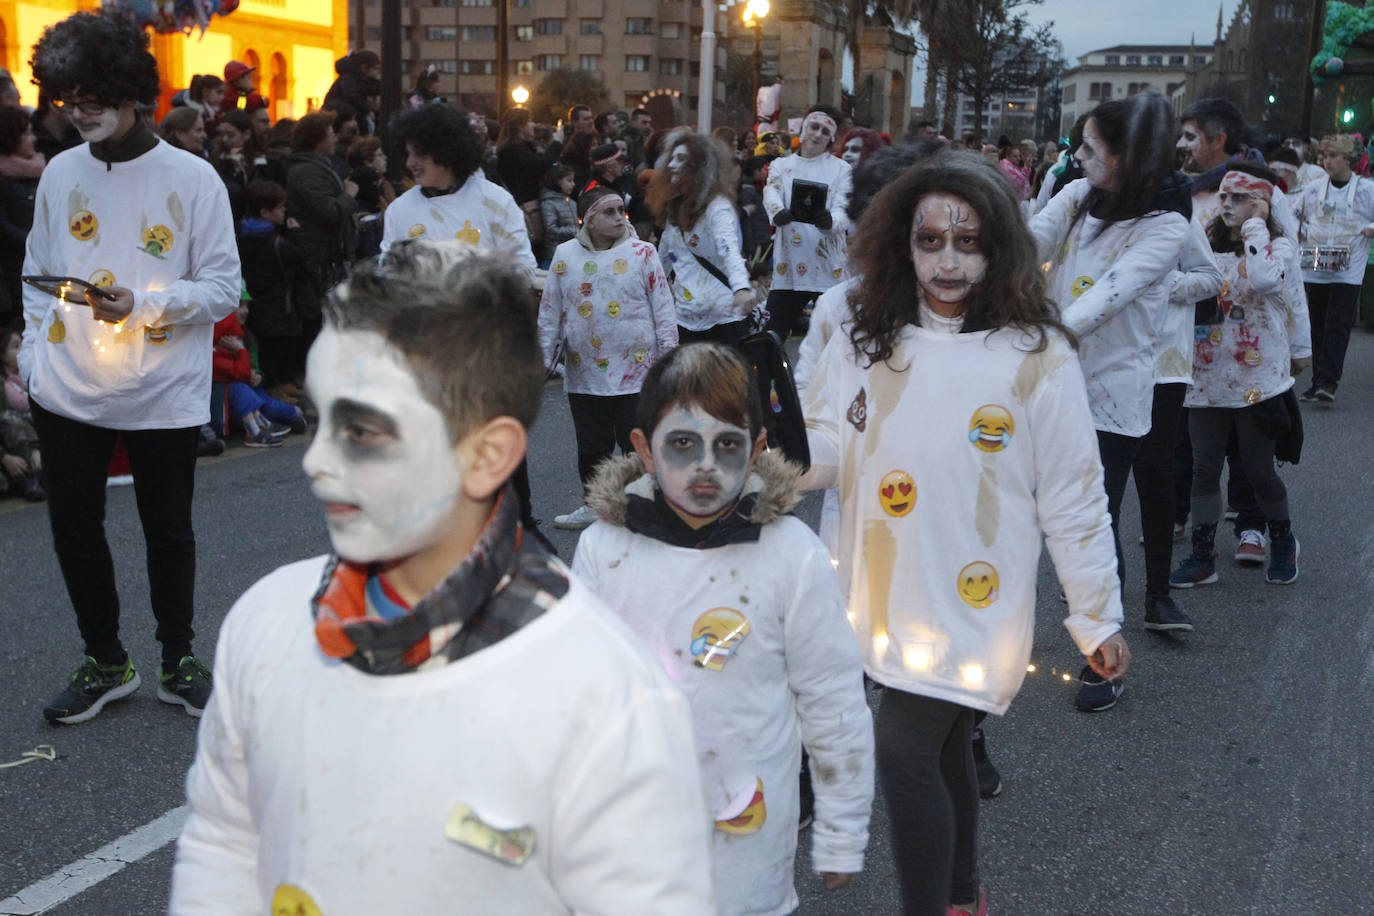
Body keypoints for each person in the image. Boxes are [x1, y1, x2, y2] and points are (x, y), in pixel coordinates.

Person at [169, 242, 715, 914]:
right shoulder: (269, 619)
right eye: (315, 419)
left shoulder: (603, 697)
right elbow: (225, 837)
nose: (314, 462)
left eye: (362, 431)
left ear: (487, 457)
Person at [800, 150, 1129, 916]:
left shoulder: (1037, 353)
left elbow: (1076, 496)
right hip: (880, 593)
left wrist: (1095, 615)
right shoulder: (858, 331)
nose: (948, 261)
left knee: (905, 753)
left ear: (999, 247)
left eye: (969, 241)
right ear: (900, 243)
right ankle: (959, 898)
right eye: (930, 240)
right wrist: (762, 464)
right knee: (944, 748)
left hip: (977, 598)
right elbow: (825, 445)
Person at [574, 342, 874, 915]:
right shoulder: (602, 551)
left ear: (758, 448)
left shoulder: (791, 555)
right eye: (682, 444)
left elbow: (833, 702)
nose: (705, 465)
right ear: (643, 447)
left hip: (746, 839)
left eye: (728, 444)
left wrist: (842, 827)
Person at [21, 8, 240, 723]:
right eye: (66, 100)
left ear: (131, 91)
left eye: (92, 98)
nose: (78, 113)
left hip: (163, 390)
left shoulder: (194, 177)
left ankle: (179, 658)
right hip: (67, 389)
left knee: (167, 529)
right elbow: (38, 273)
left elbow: (221, 288)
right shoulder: (58, 173)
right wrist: (34, 355)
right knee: (75, 529)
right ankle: (105, 660)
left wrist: (141, 306)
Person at [1029, 92, 1188, 712]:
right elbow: (1023, 245)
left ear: (1127, 158)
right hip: (1042, 385)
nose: (1077, 156)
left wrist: (1032, 344)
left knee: (1092, 522)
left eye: (1091, 149)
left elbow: (1106, 302)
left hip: (1106, 403)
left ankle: (1104, 653)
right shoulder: (1077, 196)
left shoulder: (1167, 224)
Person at [1170, 163, 1308, 589]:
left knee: (1258, 468)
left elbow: (1266, 280)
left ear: (1261, 204)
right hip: (1207, 376)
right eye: (1223, 197)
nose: (1225, 204)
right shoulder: (1205, 245)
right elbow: (1175, 284)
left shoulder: (1278, 249)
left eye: (1238, 198)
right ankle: (1201, 554)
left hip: (1256, 378)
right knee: (1204, 469)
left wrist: (1256, 228)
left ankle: (1283, 539)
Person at [538, 186, 677, 530]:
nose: (619, 218)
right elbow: (550, 312)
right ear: (588, 219)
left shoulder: (643, 253)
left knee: (637, 442)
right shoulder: (565, 255)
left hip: (638, 372)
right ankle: (596, 506)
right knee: (592, 446)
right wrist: (542, 360)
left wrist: (669, 361)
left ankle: (645, 505)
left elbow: (663, 309)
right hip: (585, 372)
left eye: (621, 210)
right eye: (610, 212)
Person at [380, 104, 534, 280]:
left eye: (419, 155)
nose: (410, 163)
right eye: (408, 155)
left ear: (446, 152)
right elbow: (386, 271)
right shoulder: (399, 210)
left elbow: (524, 267)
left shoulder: (495, 201)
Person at [648, 129, 755, 346]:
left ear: (699, 167)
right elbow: (665, 258)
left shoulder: (718, 207)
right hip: (685, 318)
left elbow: (729, 250)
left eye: (681, 159)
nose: (671, 165)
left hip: (724, 317)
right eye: (672, 158)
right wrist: (647, 295)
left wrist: (741, 288)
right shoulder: (673, 208)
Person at [1290, 132, 1374, 405]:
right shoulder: (1313, 189)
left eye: (1334, 156)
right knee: (1315, 325)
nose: (1327, 161)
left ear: (1349, 159)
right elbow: (1294, 215)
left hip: (1349, 268)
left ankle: (1328, 381)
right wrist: (1298, 231)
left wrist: (1370, 229)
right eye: (1325, 155)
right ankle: (1317, 382)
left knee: (1337, 325)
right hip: (1315, 264)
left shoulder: (1366, 190)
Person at [763, 106, 853, 339]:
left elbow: (843, 210)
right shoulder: (780, 166)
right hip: (789, 268)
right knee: (770, 337)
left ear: (831, 139)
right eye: (813, 127)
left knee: (838, 338)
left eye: (824, 131)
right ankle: (770, 376)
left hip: (828, 269)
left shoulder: (842, 170)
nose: (817, 134)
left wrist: (830, 221)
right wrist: (778, 213)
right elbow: (771, 192)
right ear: (802, 130)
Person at [285, 110, 358, 315]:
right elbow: (330, 212)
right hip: (319, 261)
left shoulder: (318, 166)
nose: (336, 138)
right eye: (331, 134)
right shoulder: (307, 171)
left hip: (326, 259)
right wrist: (349, 196)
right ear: (317, 141)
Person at [237, 179, 305, 393]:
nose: (284, 211)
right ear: (265, 212)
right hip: (277, 305)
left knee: (266, 350)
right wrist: (295, 234)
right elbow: (299, 256)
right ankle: (277, 389)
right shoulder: (275, 242)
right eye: (280, 207)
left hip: (253, 305)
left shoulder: (242, 236)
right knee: (277, 349)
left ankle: (278, 386)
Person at [0, 105, 44, 328]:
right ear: (10, 137)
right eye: (26, 133)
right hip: (14, 273)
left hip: (44, 268)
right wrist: (36, 241)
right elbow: (4, 228)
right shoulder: (3, 180)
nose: (33, 139)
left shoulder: (42, 171)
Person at [496, 107, 561, 253]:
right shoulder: (513, 150)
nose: (533, 125)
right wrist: (556, 143)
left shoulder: (518, 148)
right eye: (529, 121)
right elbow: (540, 165)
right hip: (527, 206)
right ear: (520, 126)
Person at [323, 49, 380, 135]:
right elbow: (352, 96)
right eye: (375, 68)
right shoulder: (349, 78)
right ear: (364, 67)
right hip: (340, 115)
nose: (376, 72)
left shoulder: (355, 77)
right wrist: (367, 110)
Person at [538, 164, 578, 268]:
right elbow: (551, 229)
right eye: (569, 180)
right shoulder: (549, 203)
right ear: (558, 181)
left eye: (573, 180)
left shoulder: (571, 202)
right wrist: (575, 231)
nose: (573, 184)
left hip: (571, 252)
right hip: (553, 255)